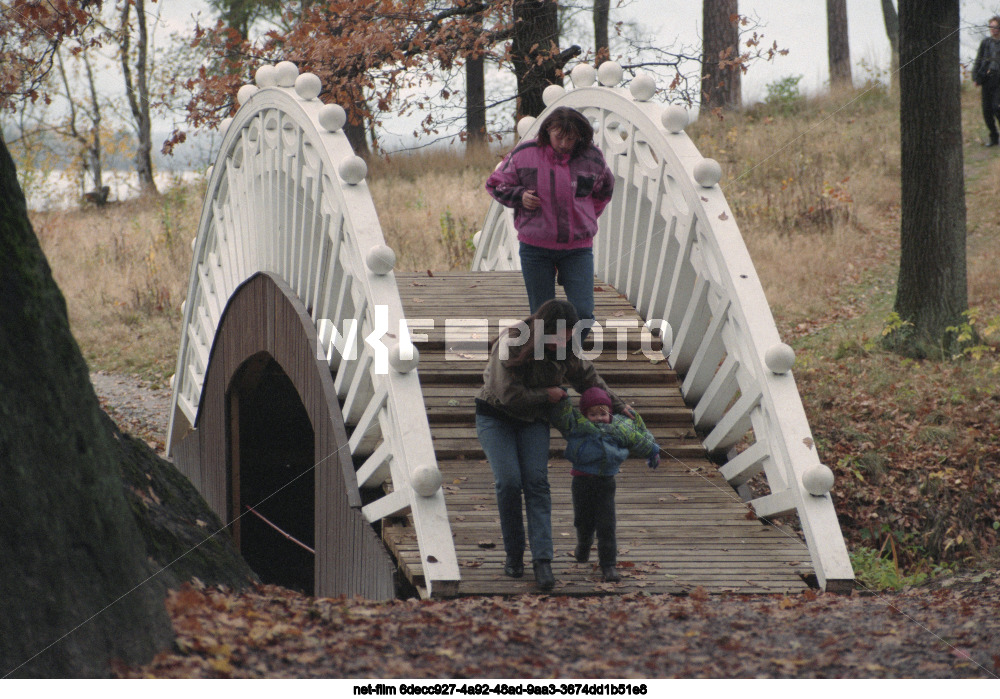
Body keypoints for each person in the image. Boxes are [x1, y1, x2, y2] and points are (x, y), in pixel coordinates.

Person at [475, 299, 633, 591]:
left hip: (534, 420)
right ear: (540, 329)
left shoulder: (567, 348)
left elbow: (590, 380)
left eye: (567, 335)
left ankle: (542, 561)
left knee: (536, 482)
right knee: (509, 482)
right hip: (496, 417)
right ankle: (514, 555)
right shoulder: (512, 341)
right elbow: (507, 394)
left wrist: (619, 406)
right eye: (555, 335)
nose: (561, 341)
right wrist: (547, 394)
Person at [485, 107, 615, 330]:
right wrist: (520, 196)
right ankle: (546, 363)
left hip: (577, 248)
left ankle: (570, 359)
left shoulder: (592, 157)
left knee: (583, 313)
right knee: (542, 316)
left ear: (580, 137)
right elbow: (495, 184)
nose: (564, 143)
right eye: (559, 137)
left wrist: (584, 215)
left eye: (571, 138)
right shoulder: (524, 153)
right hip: (535, 248)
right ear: (548, 131)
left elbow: (605, 190)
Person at [547, 387, 660, 583]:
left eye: (603, 413)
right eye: (593, 414)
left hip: (606, 482)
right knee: (583, 520)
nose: (599, 418)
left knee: (606, 524)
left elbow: (637, 438)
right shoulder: (577, 427)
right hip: (581, 481)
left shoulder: (618, 428)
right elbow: (562, 417)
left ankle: (608, 564)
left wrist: (653, 451)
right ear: (584, 415)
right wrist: (562, 397)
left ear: (610, 413)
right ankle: (583, 544)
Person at [973, 16, 1000, 146]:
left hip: (999, 80)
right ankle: (994, 136)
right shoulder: (986, 43)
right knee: (987, 110)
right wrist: (976, 77)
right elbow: (979, 60)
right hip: (987, 79)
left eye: (996, 26)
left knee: (997, 107)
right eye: (991, 27)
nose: (993, 29)